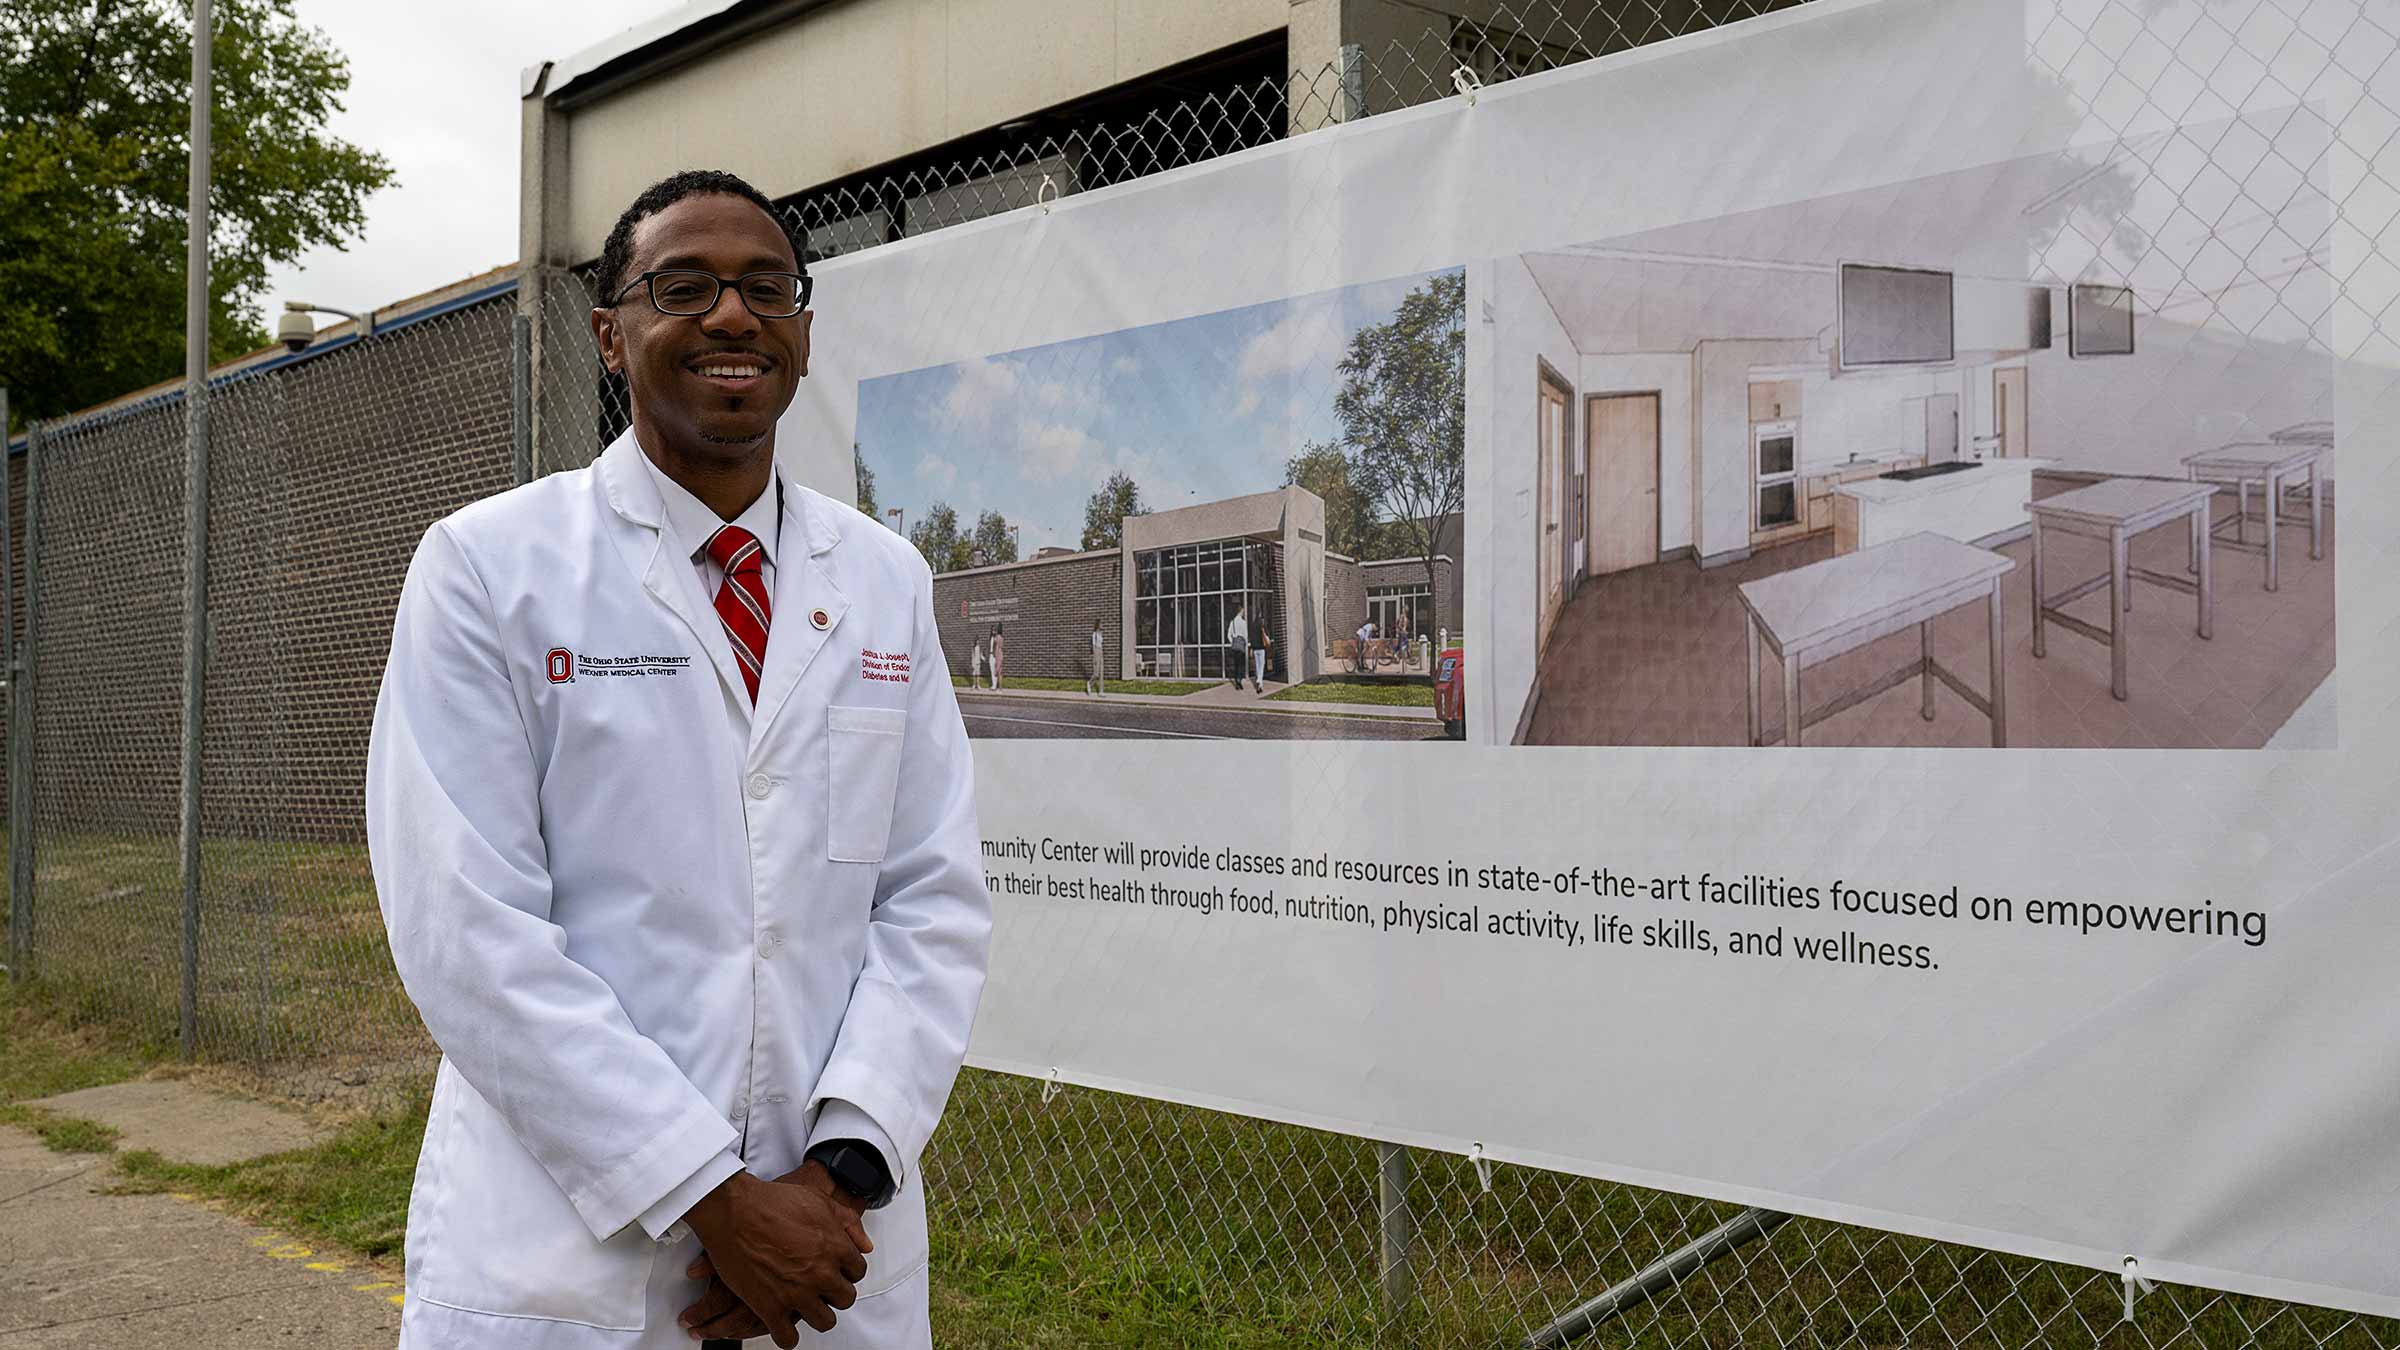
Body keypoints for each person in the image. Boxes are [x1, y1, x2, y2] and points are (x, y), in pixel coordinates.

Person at [366, 169, 991, 1350]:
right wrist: (715, 1198)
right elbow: (468, 931)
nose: (732, 316)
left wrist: (839, 1176)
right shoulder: (490, 570)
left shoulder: (885, 583)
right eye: (682, 286)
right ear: (612, 333)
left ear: (803, 331)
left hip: (827, 1259)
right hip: (573, 1261)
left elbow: (931, 901)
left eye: (767, 288)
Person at [1225, 603, 1251, 692]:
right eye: (1243, 611)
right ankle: (1239, 680)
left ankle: (1236, 681)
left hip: (1235, 644)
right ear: (1240, 611)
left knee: (1236, 664)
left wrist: (1232, 641)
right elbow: (1245, 635)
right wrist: (1246, 644)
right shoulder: (1243, 622)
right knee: (1241, 664)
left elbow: (1229, 634)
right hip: (1241, 645)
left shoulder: (1232, 622)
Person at [1087, 619, 1105, 697]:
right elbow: (1094, 646)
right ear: (1098, 625)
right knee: (1096, 674)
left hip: (1101, 652)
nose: (1102, 625)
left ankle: (1101, 691)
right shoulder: (1094, 635)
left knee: (1101, 673)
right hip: (1096, 653)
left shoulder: (1101, 634)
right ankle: (1089, 683)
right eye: (1101, 624)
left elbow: (1101, 645)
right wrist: (1095, 657)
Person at [1252, 623, 1272, 692]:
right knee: (1261, 666)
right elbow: (1267, 640)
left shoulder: (1253, 629)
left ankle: (1260, 685)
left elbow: (1251, 640)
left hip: (1255, 650)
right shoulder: (1263, 628)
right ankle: (1259, 679)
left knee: (1257, 666)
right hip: (1261, 649)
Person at [989, 626, 1004, 690]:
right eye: (992, 630)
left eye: (994, 630)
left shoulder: (997, 638)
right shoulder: (990, 638)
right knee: (992, 670)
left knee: (996, 670)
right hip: (990, 655)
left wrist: (996, 655)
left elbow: (999, 647)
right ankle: (993, 684)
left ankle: (995, 686)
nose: (993, 631)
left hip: (995, 655)